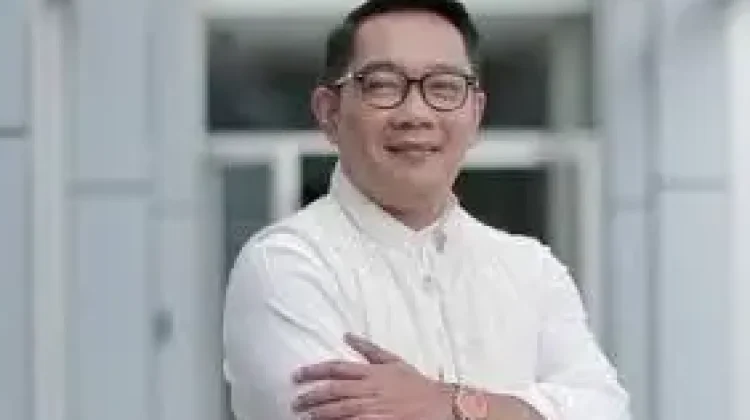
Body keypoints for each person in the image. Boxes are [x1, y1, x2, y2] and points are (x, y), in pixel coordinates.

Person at [223, 0, 631, 419]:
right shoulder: (288, 265)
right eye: (382, 85)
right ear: (329, 112)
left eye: (444, 87)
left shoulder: (531, 270)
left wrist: (453, 403)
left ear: (475, 113)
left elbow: (606, 409)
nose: (415, 114)